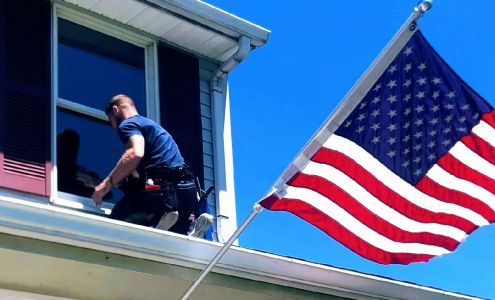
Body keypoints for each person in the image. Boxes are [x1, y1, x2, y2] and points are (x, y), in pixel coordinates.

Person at [92, 94, 194, 231]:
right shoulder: (151, 126)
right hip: (185, 190)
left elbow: (134, 153)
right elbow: (136, 179)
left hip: (159, 188)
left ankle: (160, 218)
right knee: (174, 227)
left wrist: (106, 184)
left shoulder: (128, 124)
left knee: (116, 221)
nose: (113, 127)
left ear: (115, 110)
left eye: (111, 121)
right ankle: (185, 225)